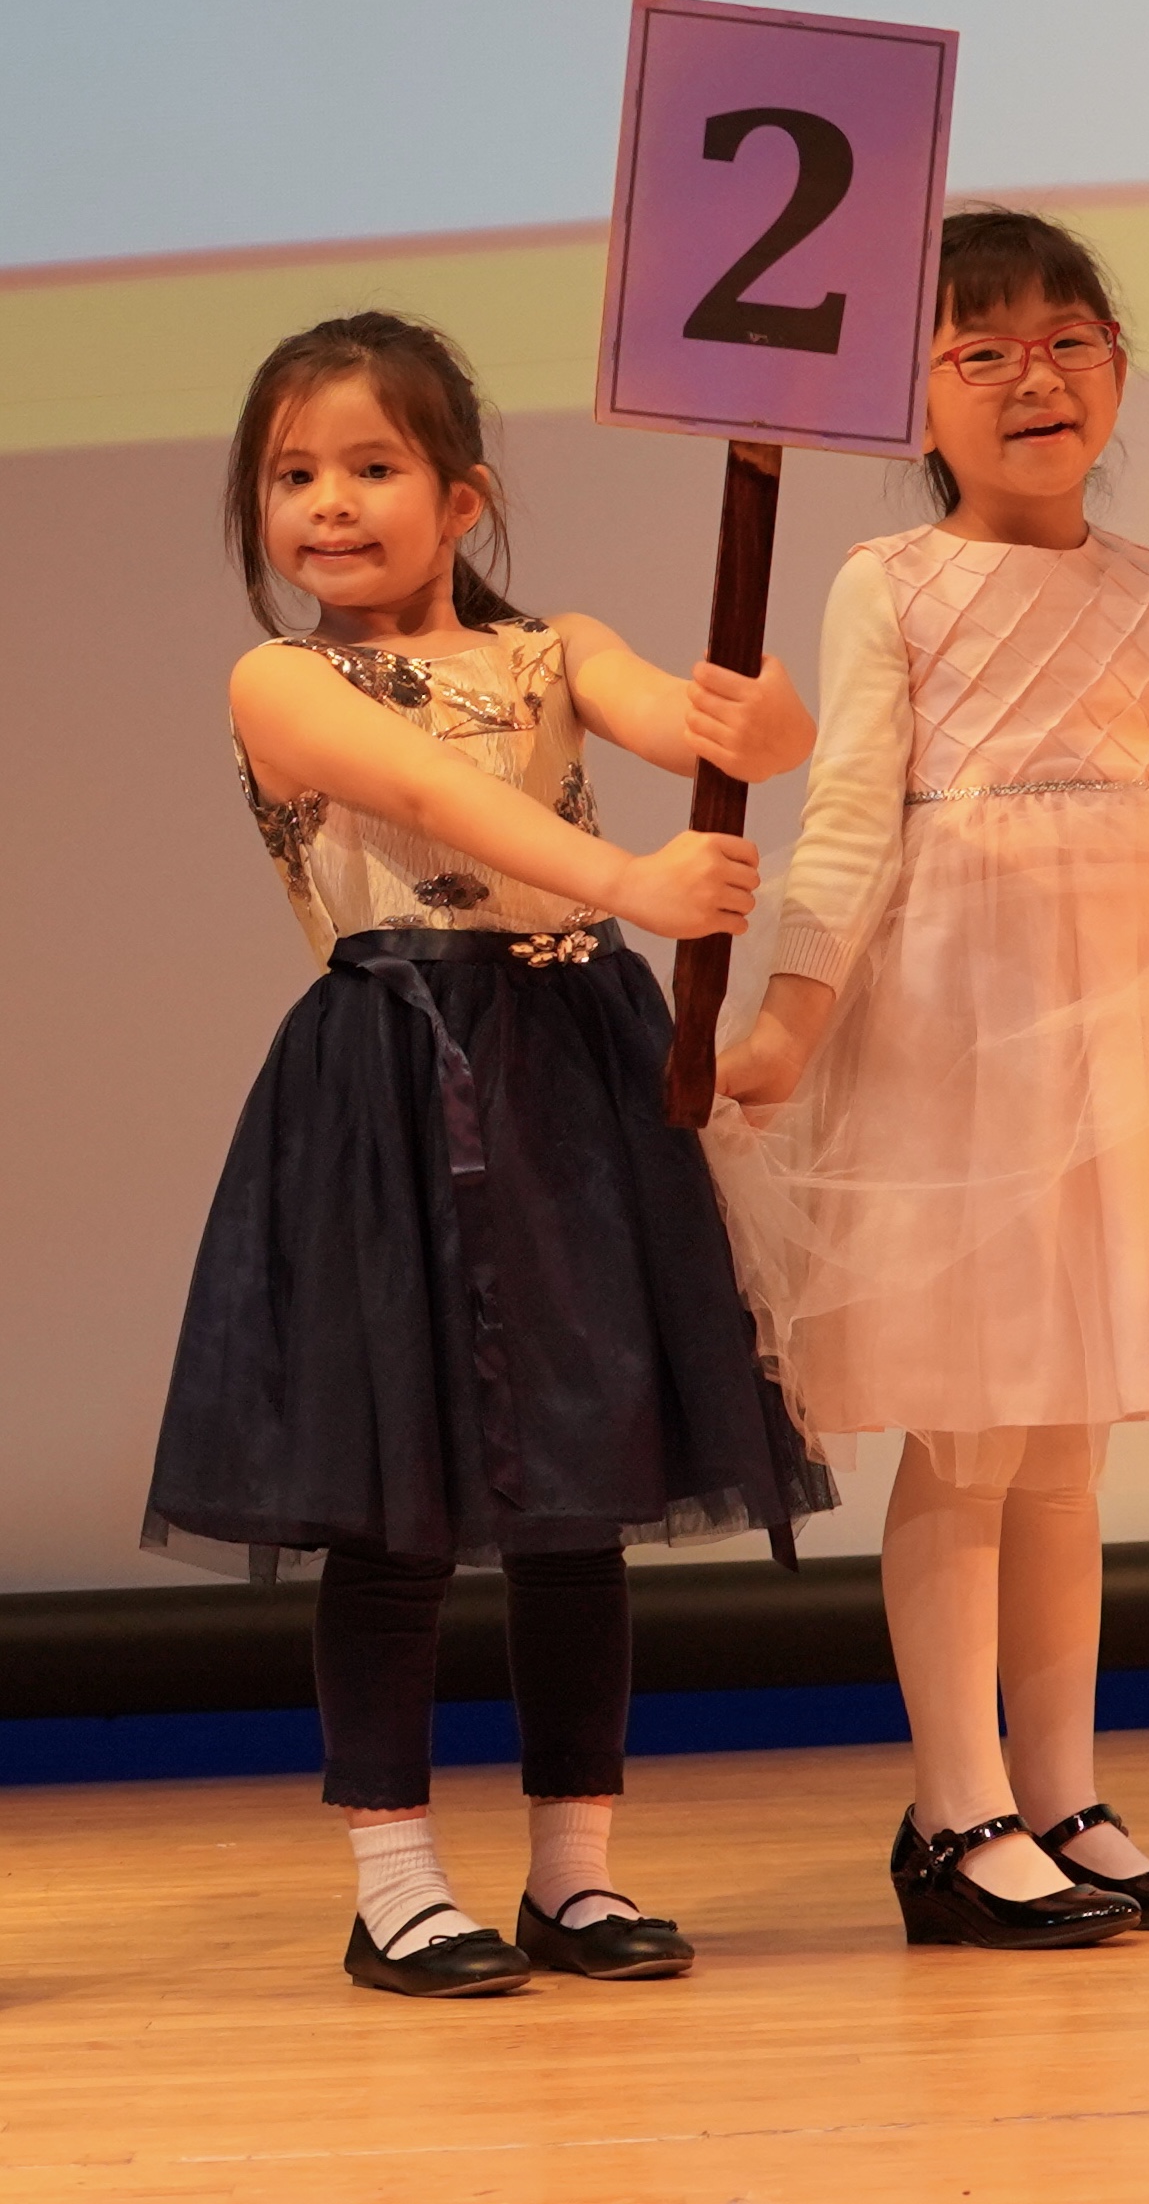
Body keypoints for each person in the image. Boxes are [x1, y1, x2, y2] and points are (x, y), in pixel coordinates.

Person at [712, 207, 1149, 1953]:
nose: (1034, 378)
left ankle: (1064, 1791)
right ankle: (953, 1810)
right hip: (953, 1038)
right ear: (915, 404)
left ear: (1117, 373)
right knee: (970, 1428)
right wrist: (788, 1021)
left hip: (1126, 1044)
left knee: (1066, 1443)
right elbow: (847, 821)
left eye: (1068, 342)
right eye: (982, 350)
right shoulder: (892, 582)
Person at [145, 309, 834, 1998]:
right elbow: (443, 803)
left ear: (459, 500)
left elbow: (713, 734)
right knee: (390, 1506)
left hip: (570, 1081)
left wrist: (759, 717)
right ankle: (394, 1882)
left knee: (575, 1499)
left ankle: (572, 1874)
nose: (327, 502)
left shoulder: (557, 648)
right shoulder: (280, 679)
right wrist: (634, 885)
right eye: (291, 475)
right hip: (392, 1080)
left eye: (371, 466)